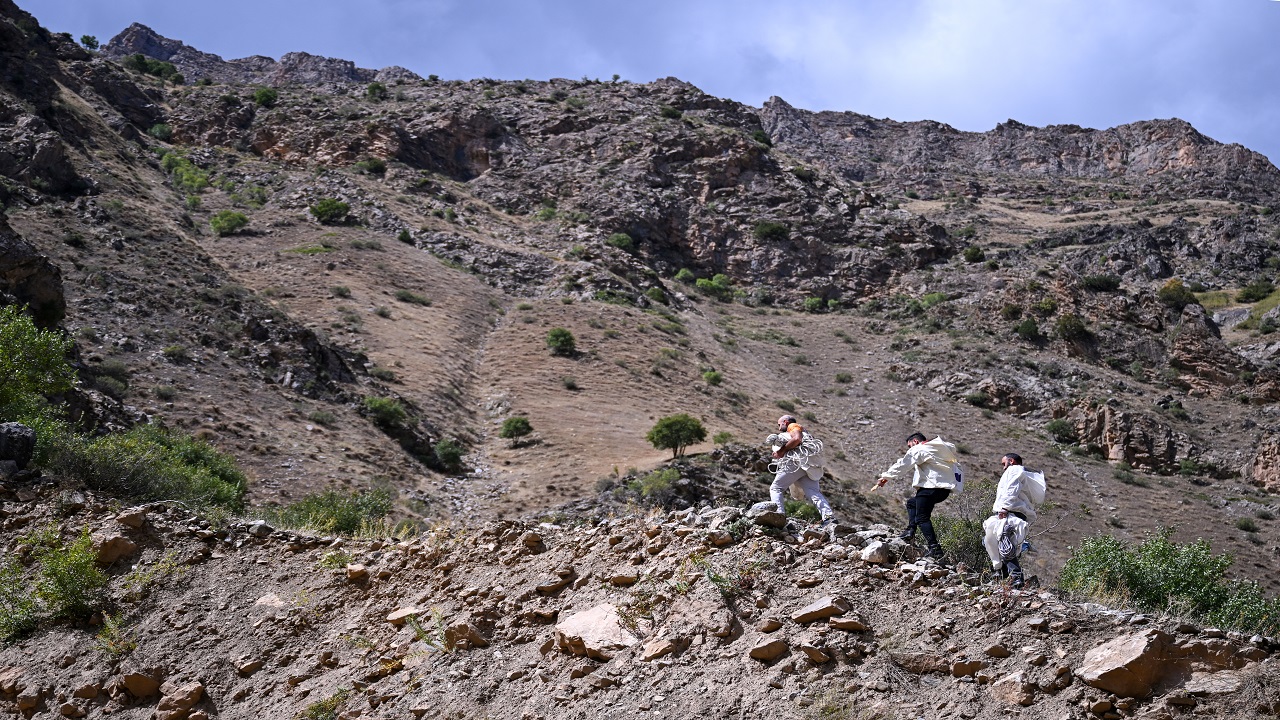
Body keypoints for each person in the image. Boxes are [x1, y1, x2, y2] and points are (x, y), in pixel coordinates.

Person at [875, 432, 961, 560]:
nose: (910, 449)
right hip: (943, 491)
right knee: (912, 503)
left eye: (910, 446)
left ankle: (935, 549)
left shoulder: (919, 448)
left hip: (929, 487)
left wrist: (885, 477)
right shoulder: (941, 448)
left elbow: (903, 464)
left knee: (922, 518)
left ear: (915, 441)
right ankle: (910, 531)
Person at [982, 453, 1046, 589]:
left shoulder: (1014, 470)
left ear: (1011, 461)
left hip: (1009, 512)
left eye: (1004, 463)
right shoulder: (1022, 473)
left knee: (1004, 542)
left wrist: (1005, 507)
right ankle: (1002, 573)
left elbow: (1012, 488)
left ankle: (1016, 577)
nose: (1003, 467)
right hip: (1013, 513)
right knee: (991, 539)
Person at [767, 415, 834, 527]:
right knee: (814, 492)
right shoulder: (807, 433)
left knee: (776, 488)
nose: (779, 428)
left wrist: (781, 451)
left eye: (779, 425)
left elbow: (797, 439)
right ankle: (829, 517)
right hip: (808, 465)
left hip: (795, 463)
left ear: (785, 422)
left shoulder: (793, 426)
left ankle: (779, 516)